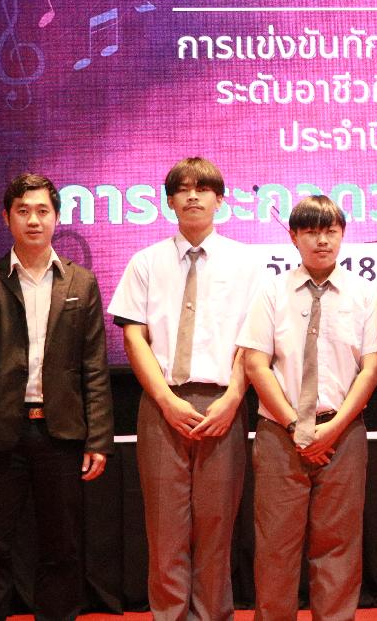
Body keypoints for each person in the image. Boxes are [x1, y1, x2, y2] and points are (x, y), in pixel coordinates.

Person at [0, 173, 113, 621]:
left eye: (43, 211)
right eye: (23, 211)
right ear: (7, 218)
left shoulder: (81, 282)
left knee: (62, 547)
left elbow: (94, 368)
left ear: (57, 217)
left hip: (61, 434)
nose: (34, 220)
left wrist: (99, 438)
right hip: (0, 433)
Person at [107, 157, 262, 621]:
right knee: (165, 528)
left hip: (223, 404)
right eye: (183, 189)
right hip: (162, 405)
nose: (193, 195)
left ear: (220, 200)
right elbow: (133, 338)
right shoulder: (145, 262)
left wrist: (233, 399)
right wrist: (165, 401)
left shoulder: (247, 263)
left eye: (203, 188)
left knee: (217, 527)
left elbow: (254, 341)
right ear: (170, 201)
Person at [238, 195, 377, 620]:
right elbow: (255, 364)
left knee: (338, 545)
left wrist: (333, 428)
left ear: (342, 235)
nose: (322, 241)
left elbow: (372, 368)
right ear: (293, 237)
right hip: (279, 434)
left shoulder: (364, 293)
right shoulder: (272, 291)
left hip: (343, 432)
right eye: (311, 232)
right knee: (276, 545)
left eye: (330, 231)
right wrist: (295, 427)